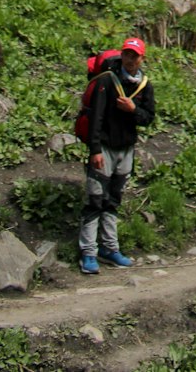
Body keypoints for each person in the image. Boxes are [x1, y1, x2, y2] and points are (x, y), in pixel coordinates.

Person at [78, 37, 155, 273]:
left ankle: (110, 248)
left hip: (126, 150)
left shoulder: (145, 85)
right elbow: (96, 118)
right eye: (127, 54)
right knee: (95, 199)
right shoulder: (107, 82)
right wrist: (95, 150)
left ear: (142, 58)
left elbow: (148, 118)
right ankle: (88, 253)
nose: (130, 59)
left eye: (135, 55)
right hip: (105, 149)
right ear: (122, 55)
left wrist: (133, 110)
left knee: (113, 199)